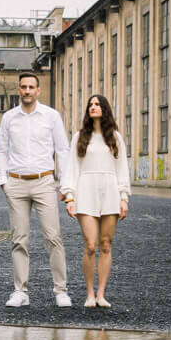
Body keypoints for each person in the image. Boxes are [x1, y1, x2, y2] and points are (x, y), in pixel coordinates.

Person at [0, 72, 73, 308]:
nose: (27, 91)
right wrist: (3, 180)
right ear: (18, 90)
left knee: (53, 237)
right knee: (19, 239)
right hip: (16, 183)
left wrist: (65, 184)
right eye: (23, 87)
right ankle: (20, 291)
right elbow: (1, 150)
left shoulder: (51, 117)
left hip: (44, 182)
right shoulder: (9, 118)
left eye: (31, 87)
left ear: (38, 90)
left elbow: (63, 150)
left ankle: (61, 291)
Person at [61, 94, 130, 307]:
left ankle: (101, 294)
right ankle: (89, 294)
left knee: (106, 244)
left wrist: (123, 197)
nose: (93, 107)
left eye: (97, 104)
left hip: (110, 192)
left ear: (105, 109)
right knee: (90, 245)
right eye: (90, 104)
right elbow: (72, 167)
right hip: (86, 191)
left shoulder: (115, 137)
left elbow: (122, 169)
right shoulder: (80, 137)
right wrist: (69, 196)